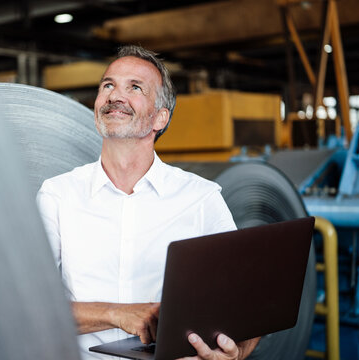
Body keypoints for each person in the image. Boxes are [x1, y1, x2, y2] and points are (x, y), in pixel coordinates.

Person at [36, 45, 260, 360]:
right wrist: (117, 313)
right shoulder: (58, 196)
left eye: (135, 87)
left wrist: (235, 354)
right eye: (108, 85)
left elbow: (248, 306)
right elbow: (30, 307)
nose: (115, 95)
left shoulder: (200, 199)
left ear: (159, 118)